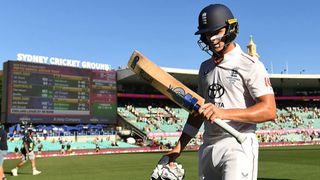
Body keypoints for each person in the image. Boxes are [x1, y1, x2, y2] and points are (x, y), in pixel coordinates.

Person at [165, 4, 276, 180]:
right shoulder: (205, 67)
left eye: (217, 31)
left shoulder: (250, 64)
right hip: (208, 147)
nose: (212, 39)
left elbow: (269, 110)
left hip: (238, 144)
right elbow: (197, 113)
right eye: (207, 34)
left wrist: (222, 113)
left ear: (231, 28)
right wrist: (178, 148)